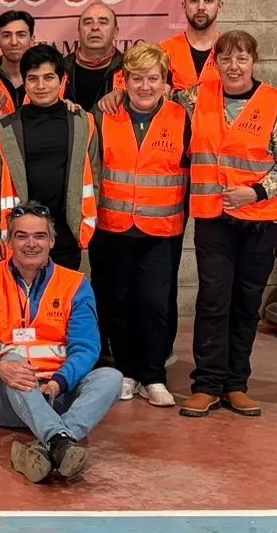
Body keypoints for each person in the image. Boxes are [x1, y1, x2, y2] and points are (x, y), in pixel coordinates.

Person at [178, 31, 277, 419]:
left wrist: (257, 192)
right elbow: (149, 97)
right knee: (213, 300)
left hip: (262, 221)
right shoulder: (195, 97)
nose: (234, 67)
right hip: (214, 218)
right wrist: (112, 98)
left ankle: (236, 385)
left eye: (242, 59)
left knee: (246, 304)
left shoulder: (276, 103)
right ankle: (206, 385)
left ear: (253, 62)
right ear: (216, 63)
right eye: (226, 59)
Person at [0, 205, 119, 485]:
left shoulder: (75, 284)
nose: (31, 244)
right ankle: (60, 440)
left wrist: (59, 383)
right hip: (2, 393)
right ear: (9, 241)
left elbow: (86, 348)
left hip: (56, 392)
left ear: (52, 241)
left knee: (111, 377)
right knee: (16, 367)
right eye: (21, 236)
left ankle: (51, 446)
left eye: (39, 236)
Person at [90, 42, 190, 408]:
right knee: (116, 302)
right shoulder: (103, 115)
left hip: (161, 231)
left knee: (154, 304)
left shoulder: (183, 117)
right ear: (124, 80)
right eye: (136, 79)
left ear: (165, 82)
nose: (145, 86)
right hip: (111, 227)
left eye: (152, 79)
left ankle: (154, 376)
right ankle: (126, 372)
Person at [0, 44, 98, 270]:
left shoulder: (83, 123)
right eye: (33, 79)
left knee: (64, 292)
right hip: (20, 235)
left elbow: (95, 177)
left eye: (48, 77)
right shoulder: (5, 128)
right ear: (24, 81)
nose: (41, 86)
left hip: (68, 234)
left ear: (62, 80)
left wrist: (88, 225)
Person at [162, 0, 223, 92]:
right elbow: (159, 98)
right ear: (184, 6)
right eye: (194, 0)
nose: (201, 7)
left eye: (208, 0)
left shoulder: (230, 50)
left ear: (219, 7)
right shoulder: (165, 50)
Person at [63, 3, 125, 113]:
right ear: (79, 31)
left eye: (103, 22)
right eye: (88, 22)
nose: (95, 27)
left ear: (115, 32)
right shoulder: (59, 69)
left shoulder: (129, 69)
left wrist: (126, 95)